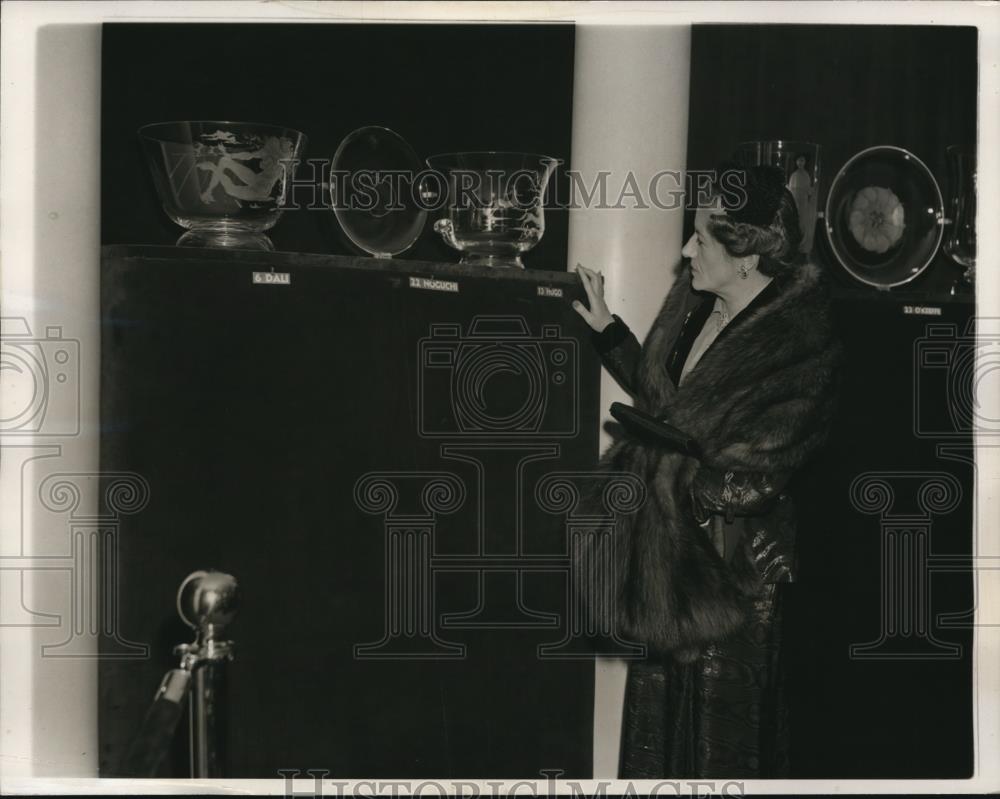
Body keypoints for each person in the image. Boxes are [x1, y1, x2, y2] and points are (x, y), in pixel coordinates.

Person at [571, 164, 840, 778]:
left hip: (738, 573)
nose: (686, 250)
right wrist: (608, 329)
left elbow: (763, 471)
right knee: (660, 726)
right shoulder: (698, 307)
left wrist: (679, 485)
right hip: (672, 549)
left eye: (701, 239)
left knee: (719, 739)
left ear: (744, 254)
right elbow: (672, 406)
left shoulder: (801, 339)